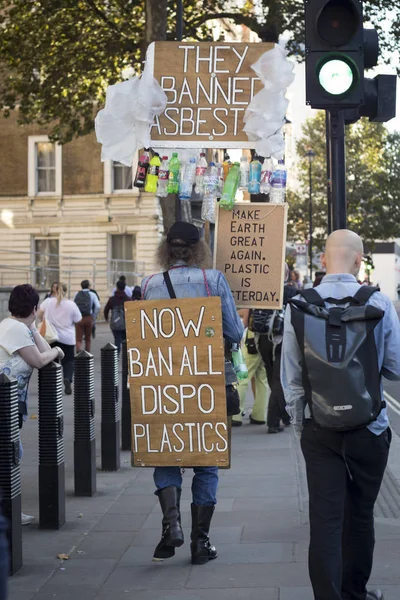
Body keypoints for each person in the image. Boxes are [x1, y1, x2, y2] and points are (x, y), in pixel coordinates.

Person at [281, 230, 400, 600]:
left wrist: (303, 426)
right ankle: (355, 594)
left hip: (320, 431)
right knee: (361, 516)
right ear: (360, 259)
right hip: (369, 427)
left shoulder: (298, 306)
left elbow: (293, 380)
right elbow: (396, 368)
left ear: (322, 261)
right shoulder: (380, 302)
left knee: (326, 521)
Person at [142, 221, 243, 565]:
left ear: (166, 250)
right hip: (207, 382)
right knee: (207, 460)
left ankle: (171, 527)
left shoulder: (149, 285)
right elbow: (233, 332)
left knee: (166, 453)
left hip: (164, 385)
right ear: (198, 250)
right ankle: (201, 541)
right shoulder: (211, 281)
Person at [0, 284, 64, 525]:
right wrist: (58, 351)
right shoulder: (14, 329)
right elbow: (40, 359)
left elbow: (42, 350)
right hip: (6, 404)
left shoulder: (15, 326)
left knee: (10, 455)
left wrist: (34, 327)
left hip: (12, 404)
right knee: (10, 456)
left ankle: (9, 512)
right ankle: (9, 514)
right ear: (35, 308)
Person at [37, 282, 82, 395]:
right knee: (68, 361)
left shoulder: (48, 302)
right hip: (67, 338)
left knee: (52, 361)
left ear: (55, 290)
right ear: (66, 291)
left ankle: (52, 385)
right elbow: (78, 320)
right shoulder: (71, 305)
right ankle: (67, 378)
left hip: (51, 337)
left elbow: (39, 314)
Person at [232, 311, 269, 427]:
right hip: (266, 340)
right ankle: (259, 415)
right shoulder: (270, 300)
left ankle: (236, 415)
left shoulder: (255, 297)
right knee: (262, 380)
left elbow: (246, 321)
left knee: (241, 377)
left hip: (252, 341)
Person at [104, 280, 131, 354]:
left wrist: (106, 318)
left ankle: (117, 355)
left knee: (117, 339)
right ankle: (126, 355)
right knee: (126, 339)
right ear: (124, 288)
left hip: (115, 323)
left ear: (117, 288)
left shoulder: (112, 299)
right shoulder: (128, 299)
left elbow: (106, 309)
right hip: (125, 323)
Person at [74, 280, 100, 354]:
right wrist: (94, 316)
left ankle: (78, 352)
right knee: (88, 338)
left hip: (79, 318)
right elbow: (98, 306)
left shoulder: (77, 294)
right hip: (88, 317)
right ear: (89, 286)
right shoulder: (92, 294)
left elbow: (74, 305)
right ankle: (87, 354)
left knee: (78, 338)